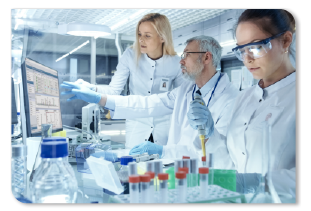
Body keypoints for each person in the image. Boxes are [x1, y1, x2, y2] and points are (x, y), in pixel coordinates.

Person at [63, 35, 239, 159]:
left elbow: (220, 154)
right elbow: (147, 104)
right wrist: (100, 98)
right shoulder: (186, 90)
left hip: (209, 180)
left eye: (186, 55)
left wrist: (164, 151)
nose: (181, 61)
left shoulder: (231, 100)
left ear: (206, 57)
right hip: (178, 170)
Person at [188, 9, 296, 197]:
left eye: (256, 47)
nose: (247, 59)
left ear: (286, 40)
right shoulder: (243, 98)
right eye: (242, 50)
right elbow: (233, 165)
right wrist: (210, 136)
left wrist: (258, 183)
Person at [61, 13, 184, 148]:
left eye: (147, 35)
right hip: (137, 126)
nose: (141, 40)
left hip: (164, 128)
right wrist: (92, 88)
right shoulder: (130, 55)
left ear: (162, 37)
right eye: (139, 34)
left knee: (164, 165)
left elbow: (181, 99)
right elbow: (114, 90)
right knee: (134, 165)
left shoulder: (176, 63)